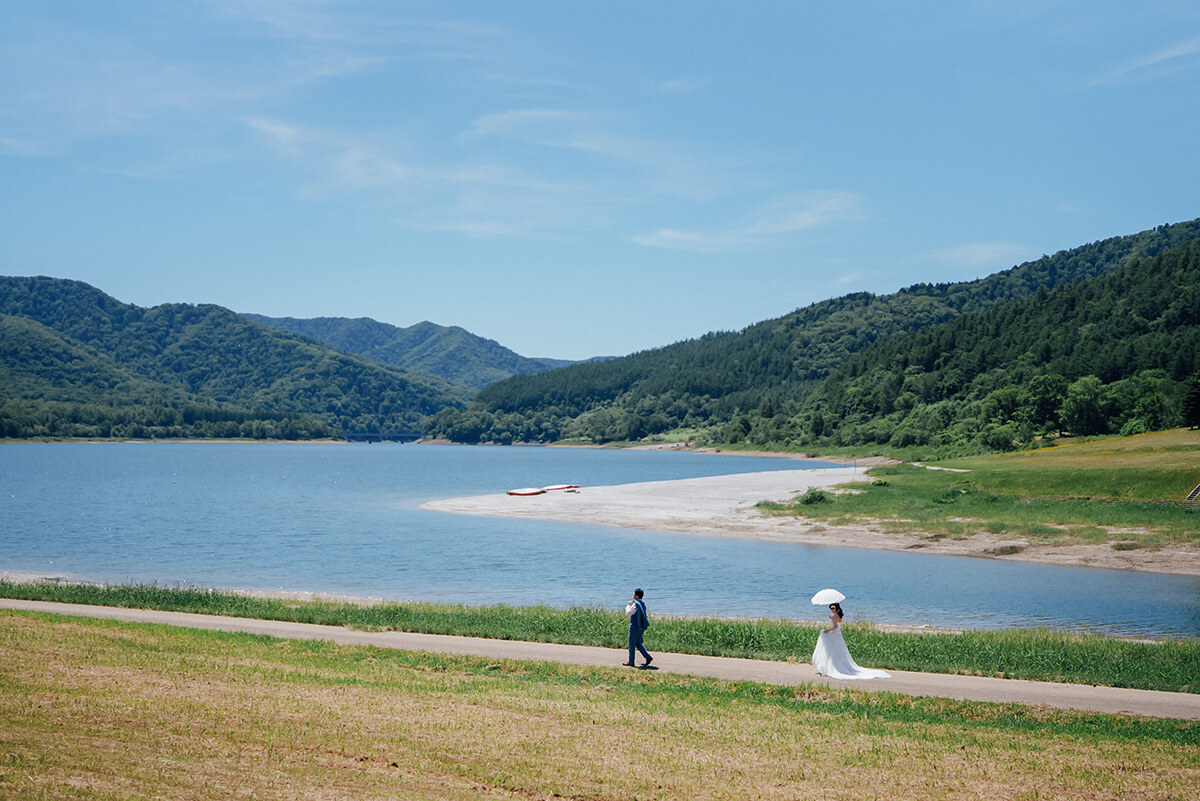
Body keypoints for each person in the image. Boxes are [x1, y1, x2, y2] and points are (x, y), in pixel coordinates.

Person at [811, 602, 890, 680]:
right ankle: (832, 665)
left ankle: (831, 666)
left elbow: (835, 627)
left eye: (833, 608)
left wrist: (828, 630)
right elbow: (838, 622)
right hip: (838, 635)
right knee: (837, 651)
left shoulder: (835, 616)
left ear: (836, 608)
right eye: (830, 608)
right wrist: (831, 619)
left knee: (829, 647)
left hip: (835, 634)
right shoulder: (837, 616)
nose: (831, 609)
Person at [623, 588, 652, 667]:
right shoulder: (642, 604)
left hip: (635, 626)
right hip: (641, 626)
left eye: (634, 594)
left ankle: (631, 661)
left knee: (631, 644)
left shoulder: (635, 604)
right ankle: (647, 657)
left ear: (636, 596)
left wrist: (629, 605)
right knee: (638, 644)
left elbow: (628, 613)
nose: (633, 595)